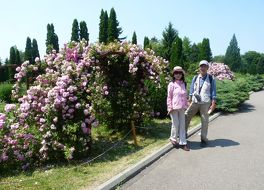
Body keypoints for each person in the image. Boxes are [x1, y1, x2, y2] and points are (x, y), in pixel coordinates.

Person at [185, 60, 217, 147]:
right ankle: (183, 135)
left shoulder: (211, 78)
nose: (203, 68)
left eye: (204, 66)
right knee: (186, 115)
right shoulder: (195, 78)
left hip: (205, 102)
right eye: (201, 66)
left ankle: (203, 138)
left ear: (207, 68)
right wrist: (189, 99)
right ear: (199, 68)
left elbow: (213, 91)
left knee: (205, 120)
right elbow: (192, 89)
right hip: (195, 101)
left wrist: (213, 102)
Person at [167, 66, 190, 151]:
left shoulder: (184, 83)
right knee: (175, 124)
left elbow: (185, 96)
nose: (178, 75)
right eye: (176, 73)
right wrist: (169, 107)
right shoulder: (171, 84)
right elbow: (169, 97)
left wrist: (186, 105)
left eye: (180, 73)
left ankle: (183, 143)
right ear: (173, 74)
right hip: (174, 108)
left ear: (182, 74)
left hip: (182, 108)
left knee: (182, 125)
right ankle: (173, 138)